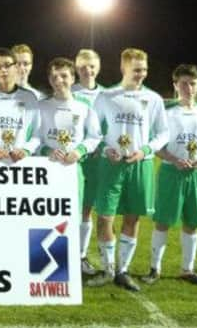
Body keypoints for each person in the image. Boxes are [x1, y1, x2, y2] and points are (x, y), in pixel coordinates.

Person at [87, 48, 169, 291]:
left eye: (144, 70)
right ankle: (107, 269)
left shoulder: (153, 99)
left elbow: (163, 133)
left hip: (139, 164)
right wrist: (104, 149)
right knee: (104, 217)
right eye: (136, 70)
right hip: (110, 165)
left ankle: (122, 270)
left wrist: (145, 150)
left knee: (132, 218)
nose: (141, 74)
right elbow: (93, 132)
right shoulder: (106, 96)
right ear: (123, 68)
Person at [142, 64, 197, 287]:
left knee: (192, 223)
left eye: (193, 83)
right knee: (163, 222)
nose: (189, 88)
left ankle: (187, 269)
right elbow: (154, 145)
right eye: (184, 83)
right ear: (175, 85)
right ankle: (154, 269)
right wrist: (173, 159)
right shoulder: (167, 113)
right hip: (171, 173)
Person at [38, 57, 101, 215]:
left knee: (72, 219)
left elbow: (94, 136)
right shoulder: (41, 106)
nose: (59, 80)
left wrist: (79, 151)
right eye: (54, 77)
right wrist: (47, 151)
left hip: (73, 168)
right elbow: (33, 138)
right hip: (46, 169)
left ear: (73, 78)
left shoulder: (85, 106)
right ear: (49, 80)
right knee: (46, 217)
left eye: (64, 76)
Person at [71, 49, 105, 276]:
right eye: (83, 66)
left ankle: (81, 256)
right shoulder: (67, 91)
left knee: (87, 210)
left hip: (99, 161)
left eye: (91, 66)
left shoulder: (108, 95)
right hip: (71, 161)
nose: (87, 70)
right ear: (76, 68)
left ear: (98, 67)